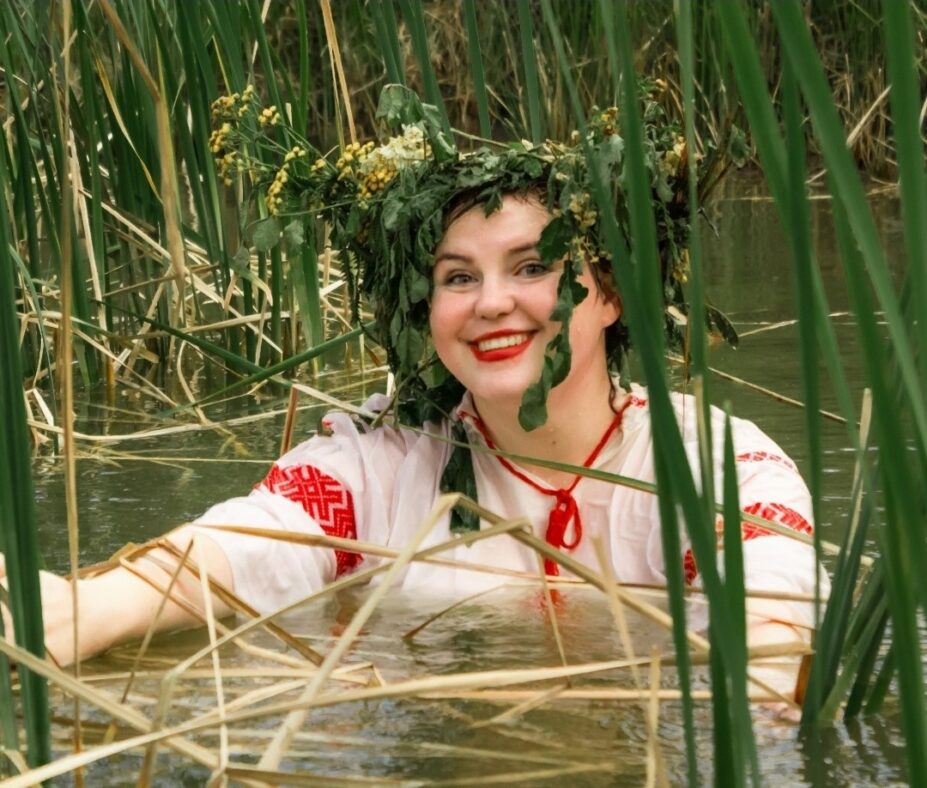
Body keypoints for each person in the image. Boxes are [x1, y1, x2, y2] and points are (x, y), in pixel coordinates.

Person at [1, 89, 827, 699]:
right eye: (457, 277)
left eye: (531, 266)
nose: (492, 303)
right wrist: (77, 609)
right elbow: (237, 551)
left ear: (610, 294)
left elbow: (769, 640)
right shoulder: (383, 462)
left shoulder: (715, 469)